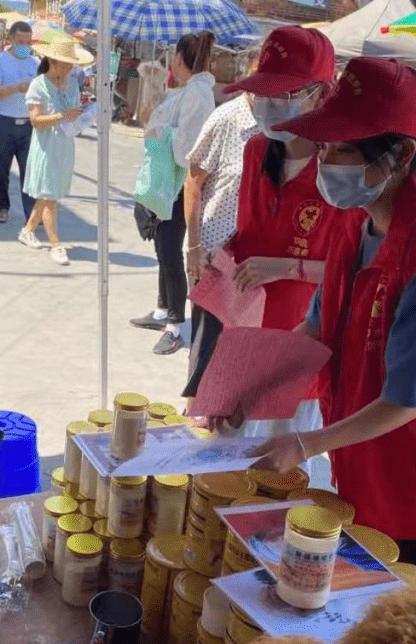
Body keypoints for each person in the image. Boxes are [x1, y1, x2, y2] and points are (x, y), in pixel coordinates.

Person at [249, 57, 416, 584]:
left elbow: (409, 397)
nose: (325, 160)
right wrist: (248, 388)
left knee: (407, 632)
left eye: (342, 149)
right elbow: (316, 327)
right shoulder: (358, 221)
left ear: (398, 154)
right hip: (374, 464)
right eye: (324, 146)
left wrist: (304, 444)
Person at [208, 27, 348, 479]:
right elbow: (250, 235)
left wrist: (285, 266)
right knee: (225, 467)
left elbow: (356, 272)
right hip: (247, 334)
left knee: (280, 478)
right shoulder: (255, 151)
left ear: (320, 94)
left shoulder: (343, 170)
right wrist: (220, 259)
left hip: (301, 346)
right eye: (261, 93)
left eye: (281, 93)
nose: (267, 105)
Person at [182, 42, 261, 399]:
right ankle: (197, 412)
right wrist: (195, 247)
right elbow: (193, 181)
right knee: (207, 343)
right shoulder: (226, 119)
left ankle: (221, 412)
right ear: (247, 76)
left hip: (255, 259)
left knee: (241, 347)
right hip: (213, 253)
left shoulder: (285, 131)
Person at [129, 31, 216, 355]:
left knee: (170, 253)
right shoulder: (192, 92)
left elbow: (187, 150)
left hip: (179, 186)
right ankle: (163, 310)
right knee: (161, 250)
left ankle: (176, 325)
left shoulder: (197, 95)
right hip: (172, 184)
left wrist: (161, 131)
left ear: (178, 59)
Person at [17, 40, 92, 267]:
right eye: (66, 64)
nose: (70, 69)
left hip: (65, 146)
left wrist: (84, 115)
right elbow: (35, 121)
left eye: (72, 64)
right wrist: (62, 116)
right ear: (53, 61)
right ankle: (56, 244)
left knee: (49, 194)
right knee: (49, 198)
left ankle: (27, 230)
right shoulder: (38, 85)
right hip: (46, 148)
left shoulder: (71, 85)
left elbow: (73, 111)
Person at [0, 21, 38, 225]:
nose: (25, 45)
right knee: (1, 169)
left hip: (28, 125)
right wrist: (16, 88)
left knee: (29, 171)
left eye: (28, 41)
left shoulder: (35, 64)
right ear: (11, 40)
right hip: (4, 123)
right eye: (20, 41)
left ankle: (31, 215)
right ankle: (1, 208)